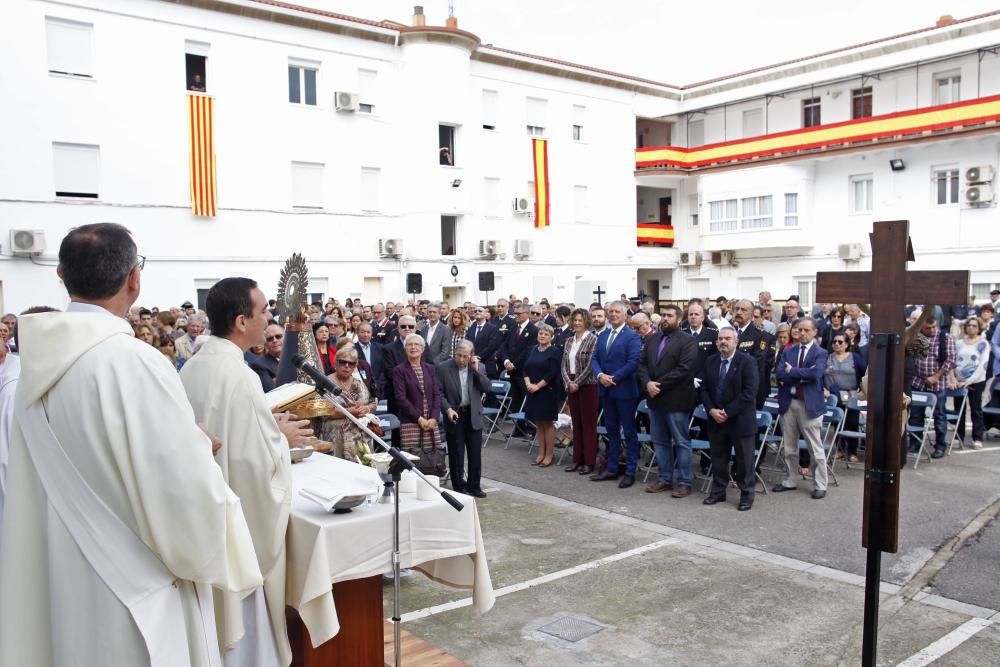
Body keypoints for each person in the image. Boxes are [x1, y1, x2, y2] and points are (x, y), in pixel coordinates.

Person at [1, 223, 263, 666]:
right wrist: (198, 448)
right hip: (136, 595)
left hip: (64, 580)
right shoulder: (134, 363)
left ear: (61, 275)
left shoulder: (31, 373)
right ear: (134, 280)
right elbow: (187, 499)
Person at [181, 277, 313, 666]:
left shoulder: (195, 366)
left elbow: (223, 435)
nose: (268, 318)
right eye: (263, 312)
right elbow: (253, 466)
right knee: (245, 639)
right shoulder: (241, 376)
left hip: (203, 518)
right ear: (242, 321)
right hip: (236, 530)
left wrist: (264, 426)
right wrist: (280, 437)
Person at [637, 305, 698, 497]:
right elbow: (642, 364)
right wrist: (647, 383)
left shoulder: (687, 341)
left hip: (676, 400)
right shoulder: (653, 338)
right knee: (660, 441)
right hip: (655, 400)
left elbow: (684, 369)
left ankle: (685, 481)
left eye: (670, 315)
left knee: (681, 441)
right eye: (663, 315)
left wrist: (658, 385)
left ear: (679, 319)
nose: (665, 318)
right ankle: (664, 478)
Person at [699, 327, 760, 510]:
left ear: (736, 342)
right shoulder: (710, 361)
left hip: (739, 420)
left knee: (744, 462)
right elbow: (704, 389)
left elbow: (749, 393)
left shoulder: (747, 362)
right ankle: (718, 492)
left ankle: (747, 495)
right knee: (718, 459)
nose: (723, 342)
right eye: (720, 339)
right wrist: (711, 410)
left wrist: (726, 412)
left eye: (727, 338)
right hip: (716, 419)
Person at [773, 317, 830, 498]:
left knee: (815, 448)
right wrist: (799, 375)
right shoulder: (789, 351)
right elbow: (779, 373)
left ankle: (820, 484)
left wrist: (793, 372)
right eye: (799, 330)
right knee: (789, 446)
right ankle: (791, 479)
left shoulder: (820, 352)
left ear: (814, 332)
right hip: (789, 403)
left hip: (809, 404)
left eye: (806, 330)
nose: (802, 333)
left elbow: (816, 374)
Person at [590, 301, 642, 486]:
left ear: (625, 315)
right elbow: (594, 358)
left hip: (624, 390)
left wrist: (614, 377)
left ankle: (630, 471)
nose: (613, 314)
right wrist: (600, 375)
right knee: (611, 431)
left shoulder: (632, 337)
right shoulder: (602, 335)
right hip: (606, 390)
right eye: (610, 311)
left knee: (629, 432)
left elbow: (633, 361)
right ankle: (611, 468)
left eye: (617, 312)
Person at [438, 340, 490, 497]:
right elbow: (439, 393)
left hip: (473, 414)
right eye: (458, 355)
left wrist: (476, 370)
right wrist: (448, 409)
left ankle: (475, 486)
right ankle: (459, 485)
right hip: (455, 414)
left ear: (471, 356)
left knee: (475, 453)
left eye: (465, 356)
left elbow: (487, 387)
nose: (461, 359)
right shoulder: (443, 368)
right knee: (456, 452)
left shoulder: (479, 368)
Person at [909, 315, 955, 459]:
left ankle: (940, 445)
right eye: (928, 328)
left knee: (939, 416)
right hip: (918, 382)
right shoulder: (916, 336)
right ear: (922, 326)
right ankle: (915, 443)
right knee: (915, 415)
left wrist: (936, 377)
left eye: (934, 326)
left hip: (938, 384)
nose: (932, 330)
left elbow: (950, 360)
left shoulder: (945, 338)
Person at [321, 346, 378, 461]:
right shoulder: (325, 383)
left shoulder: (359, 383)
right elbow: (323, 410)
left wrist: (367, 408)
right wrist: (348, 412)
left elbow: (373, 402)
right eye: (343, 362)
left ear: (355, 366)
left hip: (360, 438)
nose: (346, 366)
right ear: (335, 363)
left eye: (351, 364)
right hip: (336, 437)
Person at [561, 308, 599, 475]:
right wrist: (568, 382)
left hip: (588, 385)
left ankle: (589, 462)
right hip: (571, 384)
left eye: (580, 320)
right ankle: (577, 460)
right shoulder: (569, 340)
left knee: (588, 424)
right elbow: (563, 364)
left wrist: (577, 382)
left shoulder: (592, 339)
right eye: (574, 320)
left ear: (586, 322)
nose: (577, 323)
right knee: (575, 423)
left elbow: (591, 365)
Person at [393, 334, 442, 452]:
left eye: (416, 344)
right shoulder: (399, 370)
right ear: (405, 349)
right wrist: (418, 418)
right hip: (411, 422)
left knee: (432, 460)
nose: (413, 347)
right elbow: (401, 398)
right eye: (409, 344)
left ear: (422, 349)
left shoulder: (430, 368)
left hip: (430, 422)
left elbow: (436, 394)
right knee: (412, 460)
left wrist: (434, 418)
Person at [523, 324, 562, 467]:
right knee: (538, 423)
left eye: (546, 334)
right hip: (532, 390)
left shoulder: (554, 351)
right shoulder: (532, 349)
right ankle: (541, 453)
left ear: (551, 337)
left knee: (547, 423)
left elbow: (552, 373)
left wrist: (538, 386)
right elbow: (525, 368)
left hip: (547, 391)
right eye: (541, 333)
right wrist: (528, 384)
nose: (543, 336)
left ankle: (549, 455)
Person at [825, 331, 868, 463]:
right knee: (836, 422)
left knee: (852, 423)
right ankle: (839, 449)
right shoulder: (828, 358)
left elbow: (865, 374)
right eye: (834, 342)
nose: (836, 344)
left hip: (852, 395)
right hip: (833, 395)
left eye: (840, 342)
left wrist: (863, 392)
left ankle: (852, 451)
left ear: (847, 344)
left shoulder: (855, 358)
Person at [502, 303, 538, 438]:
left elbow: (528, 350)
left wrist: (514, 364)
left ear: (526, 314)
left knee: (527, 400)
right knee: (516, 399)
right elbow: (504, 346)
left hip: (524, 371)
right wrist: (506, 361)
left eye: (519, 314)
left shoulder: (533, 330)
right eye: (515, 314)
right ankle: (519, 428)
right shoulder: (512, 328)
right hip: (512, 371)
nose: (516, 316)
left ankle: (530, 428)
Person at [952, 316, 988, 449]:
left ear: (979, 328)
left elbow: (982, 365)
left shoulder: (983, 344)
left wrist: (969, 381)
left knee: (976, 409)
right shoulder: (959, 343)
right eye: (969, 325)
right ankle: (958, 436)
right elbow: (953, 361)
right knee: (959, 409)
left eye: (974, 326)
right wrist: (954, 377)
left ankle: (977, 437)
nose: (971, 328)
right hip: (959, 381)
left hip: (975, 382)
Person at [732, 299, 769, 407]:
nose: (739, 312)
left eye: (743, 310)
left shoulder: (759, 335)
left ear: (752, 315)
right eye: (737, 309)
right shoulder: (730, 331)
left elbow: (756, 362)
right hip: (731, 389)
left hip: (748, 388)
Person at [467, 305, 502, 378]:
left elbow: (491, 347)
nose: (477, 312)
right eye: (475, 311)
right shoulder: (471, 328)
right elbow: (468, 344)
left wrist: (478, 357)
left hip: (487, 365)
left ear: (486, 314)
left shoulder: (492, 328)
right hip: (472, 364)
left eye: (480, 311)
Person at [250, 324, 284, 392]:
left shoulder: (297, 354)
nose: (274, 340)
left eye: (278, 336)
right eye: (269, 339)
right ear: (265, 344)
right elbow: (272, 392)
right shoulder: (259, 365)